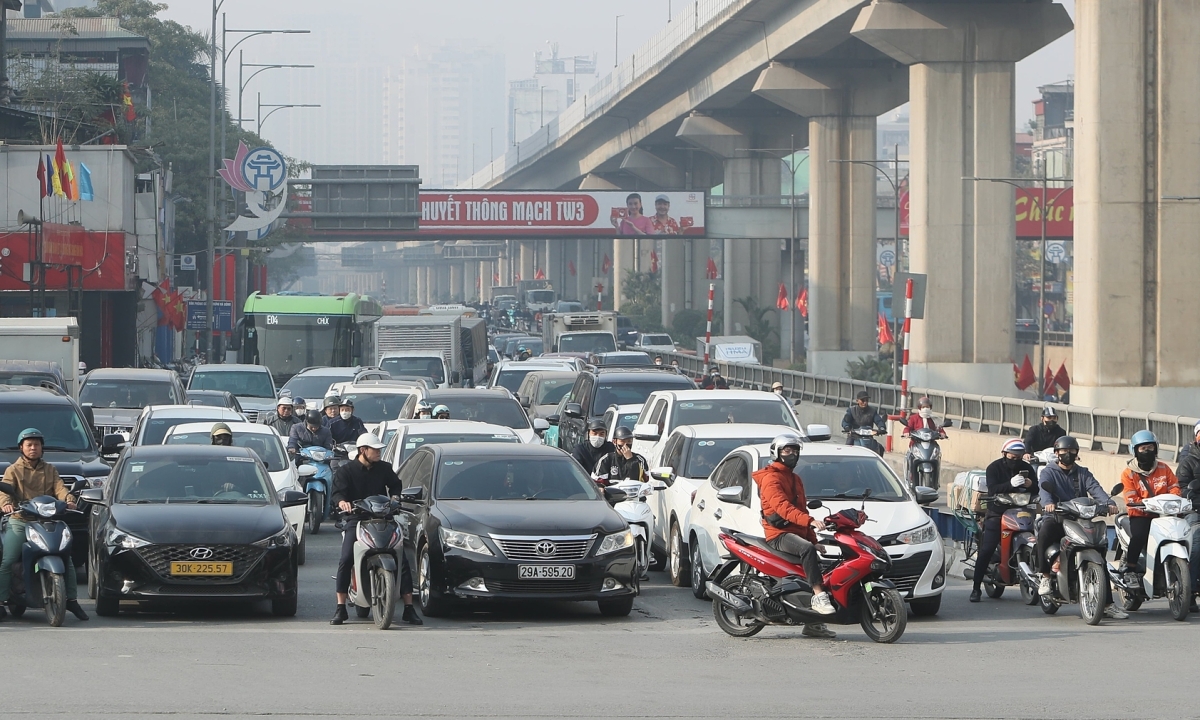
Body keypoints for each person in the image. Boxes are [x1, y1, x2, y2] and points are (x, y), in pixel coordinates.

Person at [329, 433, 422, 626]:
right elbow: (337, 493)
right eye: (376, 449)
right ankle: (340, 607)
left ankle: (408, 608)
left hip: (384, 519)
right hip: (357, 519)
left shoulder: (385, 468)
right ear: (364, 450)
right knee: (346, 558)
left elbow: (396, 485)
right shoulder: (346, 471)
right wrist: (343, 502)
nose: (379, 452)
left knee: (402, 558)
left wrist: (395, 498)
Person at [753, 433, 837, 638]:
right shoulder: (771, 478)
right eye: (787, 451)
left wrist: (814, 540)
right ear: (776, 453)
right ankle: (818, 597)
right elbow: (783, 508)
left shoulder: (795, 478)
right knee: (805, 549)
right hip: (779, 534)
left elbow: (802, 510)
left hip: (796, 533)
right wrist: (809, 524)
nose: (792, 454)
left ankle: (813, 623)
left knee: (820, 566)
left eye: (795, 451)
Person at [0, 428, 88, 621]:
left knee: (67, 558)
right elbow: (5, 490)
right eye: (29, 445)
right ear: (21, 448)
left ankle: (71, 599)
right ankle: (1, 600)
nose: (33, 448)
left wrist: (69, 499)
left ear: (42, 448)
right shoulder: (13, 470)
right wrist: (6, 504)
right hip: (22, 520)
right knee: (8, 560)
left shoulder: (50, 469)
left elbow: (60, 488)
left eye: (37, 445)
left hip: (48, 521)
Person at [1037, 435, 1127, 619]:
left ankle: (1108, 603)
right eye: (1064, 452)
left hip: (1081, 517)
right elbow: (1044, 490)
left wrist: (1109, 503)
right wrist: (1048, 503)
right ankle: (1045, 576)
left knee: (1099, 550)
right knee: (1045, 532)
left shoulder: (1083, 473)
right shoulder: (1049, 472)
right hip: (1058, 515)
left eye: (1072, 451)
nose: (1068, 454)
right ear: (1057, 453)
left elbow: (1096, 489)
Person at [969, 439, 1036, 602]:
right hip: (998, 512)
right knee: (987, 549)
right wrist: (1010, 484)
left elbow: (1036, 489)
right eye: (1012, 457)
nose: (1016, 460)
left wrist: (1030, 484)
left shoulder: (1026, 468)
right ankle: (976, 587)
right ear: (1005, 454)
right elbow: (993, 489)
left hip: (1021, 511)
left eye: (1019, 457)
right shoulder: (994, 468)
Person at [1118, 430, 1180, 576]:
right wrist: (1143, 505)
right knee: (1139, 535)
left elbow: (1174, 487)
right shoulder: (1128, 473)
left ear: (1156, 448)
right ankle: (1131, 569)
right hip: (1141, 514)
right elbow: (1130, 496)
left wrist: (1175, 498)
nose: (1147, 451)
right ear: (1135, 450)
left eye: (1150, 447)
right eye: (1142, 448)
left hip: (1164, 513)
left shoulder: (1164, 468)